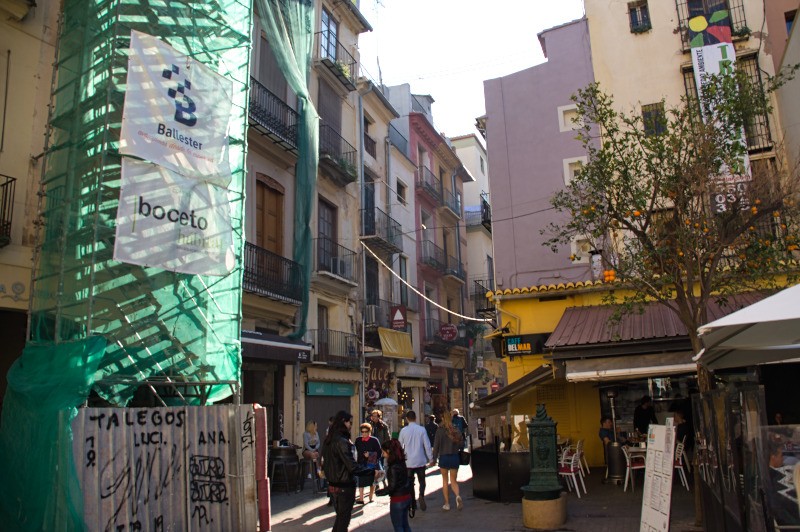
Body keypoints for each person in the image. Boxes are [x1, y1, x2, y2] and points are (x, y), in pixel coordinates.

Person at [322, 411, 370, 532]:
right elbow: (352, 466)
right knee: (343, 520)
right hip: (344, 485)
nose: (351, 425)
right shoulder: (342, 441)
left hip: (333, 485)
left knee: (340, 518)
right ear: (344, 422)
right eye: (350, 423)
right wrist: (371, 472)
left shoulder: (329, 440)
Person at [376, 439, 415, 532]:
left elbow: (392, 487)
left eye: (383, 452)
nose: (383, 454)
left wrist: (379, 492)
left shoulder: (393, 467)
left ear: (388, 451)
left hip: (398, 499)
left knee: (398, 526)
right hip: (406, 496)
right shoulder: (401, 462)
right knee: (405, 525)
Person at [398, 410, 432, 511]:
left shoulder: (403, 431)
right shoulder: (421, 429)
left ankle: (413, 503)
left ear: (407, 419)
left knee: (410, 482)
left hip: (408, 461)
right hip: (420, 460)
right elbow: (427, 445)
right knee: (422, 481)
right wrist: (431, 458)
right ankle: (421, 495)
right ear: (415, 418)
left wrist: (400, 459)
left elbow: (400, 446)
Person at [431, 414, 464, 511]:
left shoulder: (440, 430)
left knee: (445, 481)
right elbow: (461, 444)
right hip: (454, 457)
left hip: (444, 457)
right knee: (453, 481)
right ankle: (457, 496)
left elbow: (436, 446)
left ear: (442, 418)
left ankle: (447, 504)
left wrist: (434, 458)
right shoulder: (455, 429)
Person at [355, 422, 382, 504]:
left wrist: (370, 454)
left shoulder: (374, 440)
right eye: (362, 432)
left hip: (371, 464)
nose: (364, 433)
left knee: (371, 481)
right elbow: (355, 451)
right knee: (361, 481)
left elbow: (379, 453)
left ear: (369, 431)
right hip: (361, 463)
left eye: (366, 432)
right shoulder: (358, 440)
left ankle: (370, 497)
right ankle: (361, 499)